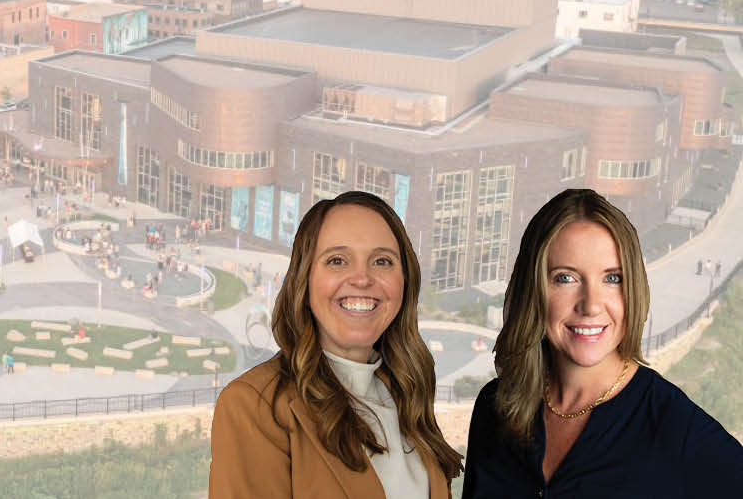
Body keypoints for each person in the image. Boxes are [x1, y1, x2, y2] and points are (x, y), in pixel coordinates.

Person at [463, 189, 743, 497]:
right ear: (534, 289)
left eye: (612, 278)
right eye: (565, 278)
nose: (591, 305)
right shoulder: (495, 408)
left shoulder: (676, 429)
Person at [210, 190, 460, 498]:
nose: (362, 279)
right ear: (305, 278)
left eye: (382, 261)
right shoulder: (255, 406)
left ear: (405, 280)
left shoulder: (406, 392)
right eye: (337, 260)